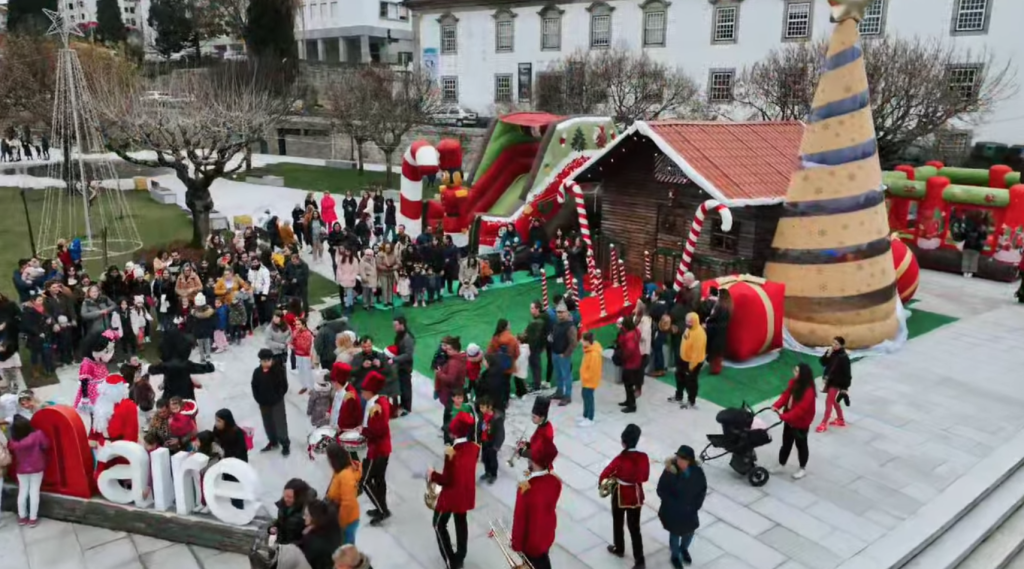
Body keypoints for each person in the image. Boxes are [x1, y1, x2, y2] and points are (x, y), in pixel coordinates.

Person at [428, 412, 480, 569]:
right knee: (461, 522)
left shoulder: (451, 452)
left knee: (438, 524)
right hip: (466, 493)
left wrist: (432, 474)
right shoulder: (475, 448)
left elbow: (447, 479)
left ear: (454, 433)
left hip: (451, 495)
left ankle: (451, 561)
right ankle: (461, 555)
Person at [600, 424, 649, 568]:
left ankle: (619, 548)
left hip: (620, 494)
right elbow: (645, 477)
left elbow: (605, 475)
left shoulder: (619, 459)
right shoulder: (643, 457)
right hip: (636, 495)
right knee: (635, 528)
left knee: (618, 522)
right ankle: (640, 561)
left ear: (623, 442)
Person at [511, 437, 560, 569]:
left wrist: (516, 544)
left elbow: (520, 520)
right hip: (546, 536)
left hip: (530, 545)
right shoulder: (555, 482)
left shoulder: (525, 489)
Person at [657, 445, 708, 568]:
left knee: (689, 533)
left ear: (689, 460)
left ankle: (684, 549)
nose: (679, 461)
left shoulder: (697, 472)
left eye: (682, 459)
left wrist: (696, 505)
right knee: (674, 535)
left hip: (690, 511)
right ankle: (675, 556)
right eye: (678, 458)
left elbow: (702, 489)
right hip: (673, 511)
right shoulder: (670, 472)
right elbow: (661, 490)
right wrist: (671, 503)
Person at [772, 363, 816, 480]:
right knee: (786, 443)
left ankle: (802, 468)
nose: (794, 373)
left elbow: (800, 410)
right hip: (790, 421)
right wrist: (777, 405)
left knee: (801, 445)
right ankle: (781, 463)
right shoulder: (794, 383)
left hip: (800, 424)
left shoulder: (808, 391)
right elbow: (786, 395)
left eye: (796, 371)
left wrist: (785, 417)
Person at [358, 372, 392, 525]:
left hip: (377, 450)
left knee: (365, 482)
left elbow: (378, 430)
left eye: (364, 390)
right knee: (379, 480)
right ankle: (382, 507)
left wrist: (363, 432)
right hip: (381, 448)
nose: (362, 393)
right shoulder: (378, 401)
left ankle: (382, 510)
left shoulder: (377, 407)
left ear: (370, 391)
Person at [7, 415, 49, 526]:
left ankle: (22, 517)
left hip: (21, 468)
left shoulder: (13, 441)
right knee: (34, 492)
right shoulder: (38, 435)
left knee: (22, 491)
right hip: (37, 467)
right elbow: (46, 445)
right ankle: (32, 518)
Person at [252, 349, 290, 455]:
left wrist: (277, 397)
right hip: (264, 403)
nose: (265, 363)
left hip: (277, 402)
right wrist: (258, 399)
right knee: (268, 423)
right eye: (263, 361)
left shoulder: (279, 370)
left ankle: (285, 443)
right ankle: (273, 441)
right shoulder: (257, 372)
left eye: (267, 361)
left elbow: (284, 386)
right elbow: (254, 386)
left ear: (271, 360)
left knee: (280, 423)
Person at [326, 443, 362, 545]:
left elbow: (348, 502)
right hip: (342, 516)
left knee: (346, 546)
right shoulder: (340, 470)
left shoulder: (345, 475)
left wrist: (341, 523)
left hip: (347, 520)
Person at [818, 336, 851, 432]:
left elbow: (847, 374)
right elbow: (822, 363)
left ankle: (823, 423)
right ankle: (840, 419)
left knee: (828, 401)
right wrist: (827, 355)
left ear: (841, 346)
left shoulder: (844, 358)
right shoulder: (831, 352)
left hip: (836, 383)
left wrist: (845, 388)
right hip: (829, 381)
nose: (834, 345)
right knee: (833, 401)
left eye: (836, 344)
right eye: (833, 343)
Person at [299, 500, 343, 569]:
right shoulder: (331, 526)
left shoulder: (314, 541)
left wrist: (306, 536)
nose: (304, 517)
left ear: (315, 517)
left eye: (307, 515)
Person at [675, 313, 706, 410]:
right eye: (687, 321)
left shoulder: (699, 335)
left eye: (690, 322)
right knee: (679, 376)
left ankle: (691, 401)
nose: (688, 323)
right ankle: (678, 396)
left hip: (693, 362)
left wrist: (691, 366)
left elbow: (697, 353)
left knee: (691, 382)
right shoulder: (689, 329)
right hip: (684, 358)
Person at [271, 478, 315, 545]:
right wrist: (273, 527)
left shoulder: (307, 513)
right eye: (285, 496)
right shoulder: (283, 505)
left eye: (290, 497)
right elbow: (280, 522)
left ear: (299, 497)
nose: (286, 499)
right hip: (281, 542)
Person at [516, 397, 554, 466]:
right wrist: (526, 444)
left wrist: (522, 452)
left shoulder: (546, 431)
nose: (532, 419)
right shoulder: (542, 425)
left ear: (542, 417)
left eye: (534, 417)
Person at [617, 318, 643, 414]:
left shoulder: (629, 335)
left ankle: (632, 405)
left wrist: (623, 356)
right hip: (635, 361)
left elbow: (629, 350)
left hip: (630, 363)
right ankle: (629, 401)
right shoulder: (635, 331)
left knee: (629, 384)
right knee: (628, 383)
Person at [391, 316, 415, 416]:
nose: (394, 327)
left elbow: (408, 355)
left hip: (405, 366)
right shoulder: (399, 336)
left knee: (406, 386)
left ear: (402, 325)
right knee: (401, 385)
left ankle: (407, 407)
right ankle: (403, 404)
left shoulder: (407, 338)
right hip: (400, 365)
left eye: (396, 325)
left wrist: (394, 359)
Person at [477, 396, 504, 484]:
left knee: (492, 459)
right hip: (484, 441)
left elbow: (501, 434)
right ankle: (487, 472)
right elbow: (479, 427)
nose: (481, 409)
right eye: (480, 407)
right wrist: (478, 439)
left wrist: (496, 446)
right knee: (485, 458)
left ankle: (493, 474)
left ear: (490, 407)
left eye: (483, 407)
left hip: (492, 443)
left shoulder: (497, 419)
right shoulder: (482, 415)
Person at [704, 289, 731, 375]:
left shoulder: (721, 307)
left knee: (715, 351)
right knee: (718, 352)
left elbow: (715, 319)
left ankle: (715, 369)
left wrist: (708, 323)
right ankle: (716, 367)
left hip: (716, 331)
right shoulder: (728, 306)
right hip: (721, 331)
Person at [524, 301, 549, 392]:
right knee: (534, 365)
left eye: (532, 308)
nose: (530, 310)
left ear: (537, 309)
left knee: (535, 365)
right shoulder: (540, 319)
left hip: (535, 346)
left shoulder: (538, 322)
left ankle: (537, 386)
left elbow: (534, 335)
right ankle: (536, 383)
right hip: (536, 345)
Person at [579, 332, 603, 426]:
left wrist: (585, 377)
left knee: (589, 398)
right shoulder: (588, 350)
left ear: (588, 341)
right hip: (586, 380)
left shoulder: (594, 354)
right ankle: (585, 415)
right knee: (585, 396)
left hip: (590, 381)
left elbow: (593, 370)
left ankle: (590, 418)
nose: (581, 341)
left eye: (583, 340)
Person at [292, 318, 315, 395]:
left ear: (304, 325)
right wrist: (292, 343)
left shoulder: (308, 334)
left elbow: (305, 347)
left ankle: (312, 388)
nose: (297, 326)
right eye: (296, 324)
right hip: (298, 354)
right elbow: (292, 340)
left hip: (306, 356)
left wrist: (294, 345)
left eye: (298, 324)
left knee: (308, 371)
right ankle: (304, 386)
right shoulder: (295, 332)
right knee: (300, 370)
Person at [962, 214, 987, 278]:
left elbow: (964, 235)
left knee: (966, 259)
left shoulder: (969, 227)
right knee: (974, 260)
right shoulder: (982, 230)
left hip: (967, 245)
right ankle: (971, 272)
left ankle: (965, 271)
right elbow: (984, 238)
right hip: (976, 247)